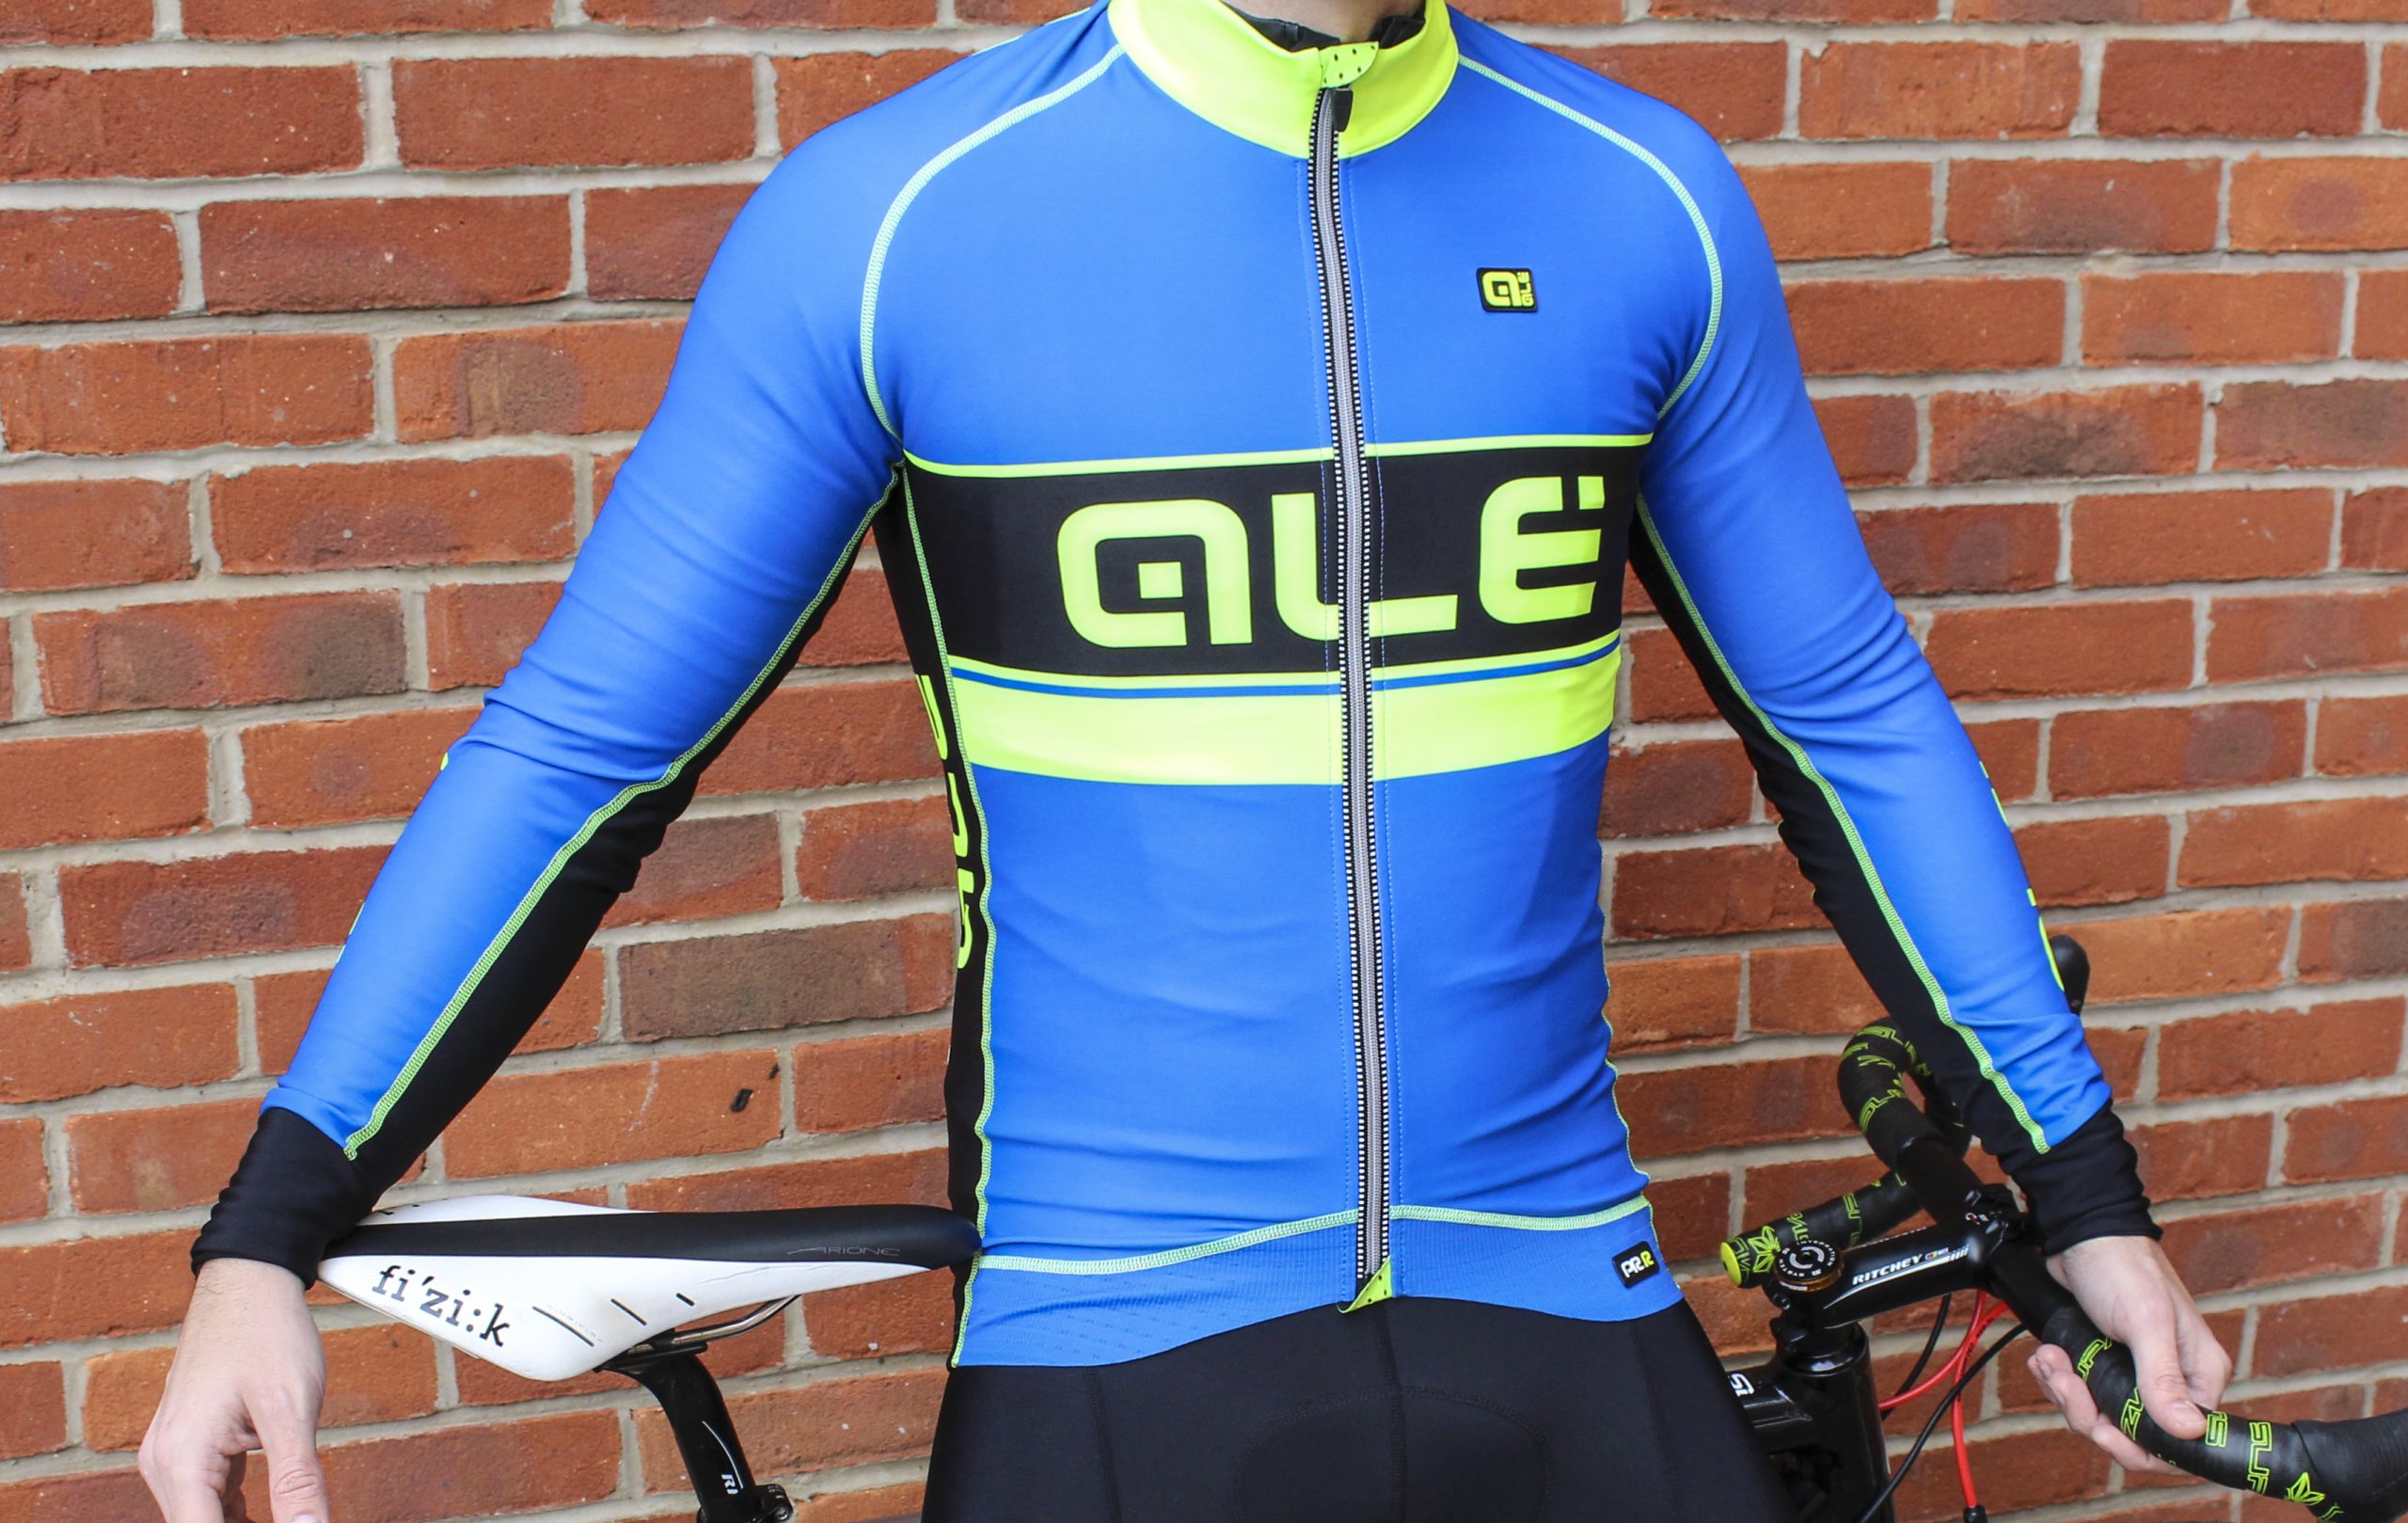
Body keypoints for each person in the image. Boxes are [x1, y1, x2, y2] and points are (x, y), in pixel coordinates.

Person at [140, 0, 2232, 1516]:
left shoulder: (1637, 201)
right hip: (1112, 1329)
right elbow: (579, 758)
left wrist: (2083, 1197)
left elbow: (1849, 718)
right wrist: (267, 1232)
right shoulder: (902, 220)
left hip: (1558, 1285)